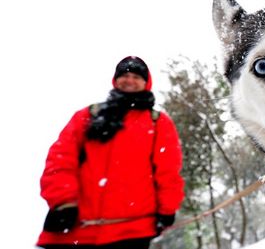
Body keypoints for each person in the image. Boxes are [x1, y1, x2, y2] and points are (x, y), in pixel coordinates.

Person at [36, 56, 184, 249]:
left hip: (132, 231)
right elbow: (60, 160)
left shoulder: (158, 123)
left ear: (146, 83)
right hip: (74, 228)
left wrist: (167, 209)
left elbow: (168, 172)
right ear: (115, 80)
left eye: (136, 76)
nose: (129, 80)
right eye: (124, 75)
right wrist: (63, 202)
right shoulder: (88, 115)